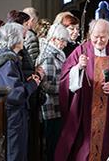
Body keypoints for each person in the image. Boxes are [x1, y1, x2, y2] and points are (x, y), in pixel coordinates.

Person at [55, 19, 109, 161]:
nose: (99, 40)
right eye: (95, 37)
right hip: (86, 109)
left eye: (103, 37)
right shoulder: (81, 51)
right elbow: (64, 78)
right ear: (90, 34)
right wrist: (78, 67)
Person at [0, 22, 42, 161]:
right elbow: (15, 94)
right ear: (15, 39)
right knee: (15, 154)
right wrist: (33, 83)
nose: (24, 41)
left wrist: (26, 81)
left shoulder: (1, 57)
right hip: (13, 114)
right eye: (22, 37)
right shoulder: (8, 61)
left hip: (8, 113)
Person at [36, 24, 70, 161]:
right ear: (55, 39)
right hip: (50, 108)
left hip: (57, 106)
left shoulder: (56, 53)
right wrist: (65, 89)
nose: (65, 44)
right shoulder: (49, 56)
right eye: (63, 41)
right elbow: (46, 85)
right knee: (52, 145)